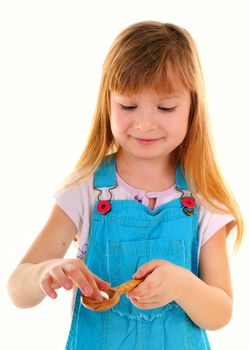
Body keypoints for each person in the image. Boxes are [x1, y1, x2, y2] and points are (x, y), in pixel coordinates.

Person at [8, 20, 244, 349]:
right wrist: (46, 272)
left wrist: (183, 286)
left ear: (193, 108)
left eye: (166, 107)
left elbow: (221, 312)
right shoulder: (85, 190)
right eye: (128, 106)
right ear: (108, 104)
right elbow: (18, 287)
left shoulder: (203, 199)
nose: (145, 123)